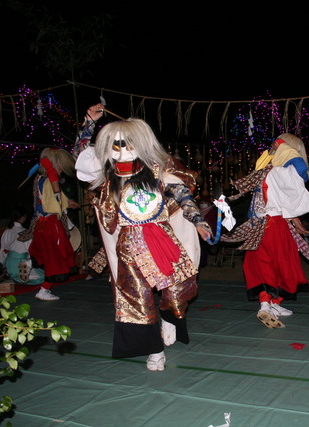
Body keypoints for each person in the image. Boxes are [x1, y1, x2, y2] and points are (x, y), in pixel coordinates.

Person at [75, 115, 212, 372]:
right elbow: (81, 155)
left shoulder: (159, 173)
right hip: (128, 246)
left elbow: (183, 195)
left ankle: (170, 318)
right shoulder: (107, 178)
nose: (122, 150)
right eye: (114, 145)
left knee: (176, 288)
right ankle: (154, 350)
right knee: (136, 300)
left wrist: (199, 221)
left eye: (127, 143)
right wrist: (88, 125)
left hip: (161, 240)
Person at [221, 133, 309, 328]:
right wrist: (287, 149)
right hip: (274, 226)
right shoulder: (279, 172)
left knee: (262, 266)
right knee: (284, 265)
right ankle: (272, 304)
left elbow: (273, 201)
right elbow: (301, 169)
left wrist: (294, 219)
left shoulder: (263, 171)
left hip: (257, 226)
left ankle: (267, 305)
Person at [18, 148, 80, 301]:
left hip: (40, 223)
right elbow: (52, 205)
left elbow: (48, 200)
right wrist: (64, 205)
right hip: (51, 223)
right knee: (57, 258)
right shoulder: (50, 182)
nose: (61, 168)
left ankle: (29, 262)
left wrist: (67, 202)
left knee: (44, 252)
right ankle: (44, 290)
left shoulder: (40, 179)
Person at [0, 206, 45, 285]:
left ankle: (12, 275)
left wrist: (5, 265)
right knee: (43, 277)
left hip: (8, 264)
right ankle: (19, 277)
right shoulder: (25, 233)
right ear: (23, 218)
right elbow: (31, 251)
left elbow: (2, 251)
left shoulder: (7, 232)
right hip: (19, 265)